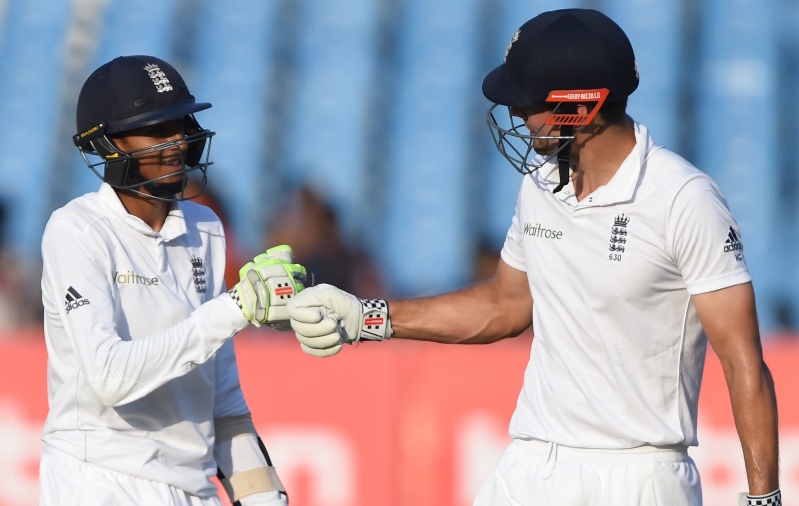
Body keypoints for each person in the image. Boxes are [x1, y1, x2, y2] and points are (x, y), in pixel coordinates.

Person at [286, 9, 781, 506]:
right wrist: (369, 315)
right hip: (532, 465)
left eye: (528, 105)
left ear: (580, 108)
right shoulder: (541, 184)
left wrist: (765, 498)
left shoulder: (683, 198)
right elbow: (503, 306)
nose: (518, 118)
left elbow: (743, 363)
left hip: (640, 474)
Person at [39, 55, 307, 506]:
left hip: (191, 488)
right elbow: (110, 377)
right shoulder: (77, 230)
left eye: (180, 126)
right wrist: (234, 309)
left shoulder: (206, 229)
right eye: (157, 129)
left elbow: (223, 400)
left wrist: (265, 497)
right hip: (97, 480)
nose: (177, 142)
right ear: (108, 143)